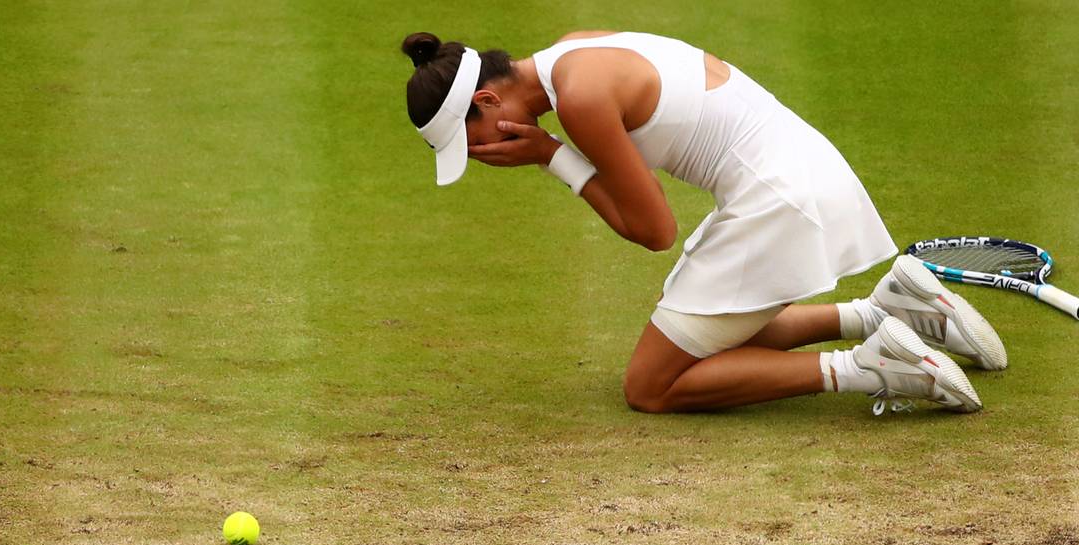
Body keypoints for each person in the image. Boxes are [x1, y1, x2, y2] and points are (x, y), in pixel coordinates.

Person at [401, 30, 1007, 415]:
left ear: (486, 102)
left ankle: (872, 365)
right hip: (805, 170)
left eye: (471, 141)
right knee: (710, 329)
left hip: (779, 202)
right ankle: (888, 311)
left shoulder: (582, 101)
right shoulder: (575, 51)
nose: (481, 156)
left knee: (650, 386)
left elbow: (653, 230)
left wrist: (550, 156)